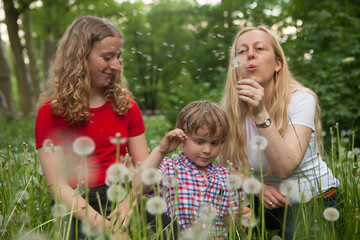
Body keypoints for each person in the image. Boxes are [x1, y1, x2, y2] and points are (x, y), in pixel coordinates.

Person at [220, 26, 342, 239]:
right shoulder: (228, 111)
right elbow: (223, 169)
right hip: (261, 200)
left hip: (313, 201)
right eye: (241, 51)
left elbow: (285, 167)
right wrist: (256, 186)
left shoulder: (302, 100)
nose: (250, 54)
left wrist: (260, 113)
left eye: (259, 48)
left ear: (278, 64)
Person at [35, 16, 149, 239]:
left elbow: (145, 169)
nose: (116, 65)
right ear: (80, 57)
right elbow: (58, 187)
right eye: (107, 57)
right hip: (78, 206)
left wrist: (127, 205)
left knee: (168, 228)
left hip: (124, 195)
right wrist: (108, 229)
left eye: (118, 57)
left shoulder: (127, 107)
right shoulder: (51, 113)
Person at [139, 100, 251, 239]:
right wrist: (161, 151)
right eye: (199, 142)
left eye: (214, 143)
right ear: (182, 139)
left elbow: (228, 223)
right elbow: (138, 186)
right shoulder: (168, 168)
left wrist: (241, 219)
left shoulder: (224, 176)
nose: (207, 150)